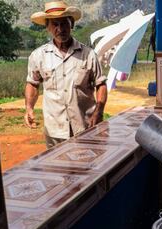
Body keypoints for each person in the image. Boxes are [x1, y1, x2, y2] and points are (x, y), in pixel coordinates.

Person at [24, 1, 107, 149]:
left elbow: (101, 84)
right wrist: (29, 108)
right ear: (47, 27)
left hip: (85, 126)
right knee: (57, 168)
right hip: (54, 130)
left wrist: (99, 111)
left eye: (64, 23)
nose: (60, 29)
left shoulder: (88, 55)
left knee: (87, 168)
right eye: (55, 24)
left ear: (72, 24)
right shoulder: (38, 56)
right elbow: (33, 84)